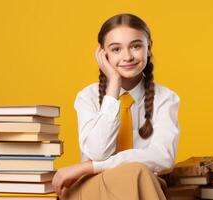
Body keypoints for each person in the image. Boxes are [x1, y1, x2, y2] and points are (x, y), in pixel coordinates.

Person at [52, 13, 180, 200]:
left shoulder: (166, 98)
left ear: (149, 47)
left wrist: (90, 166)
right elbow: (97, 152)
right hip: (93, 186)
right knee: (138, 172)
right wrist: (114, 85)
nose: (127, 56)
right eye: (116, 49)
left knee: (137, 173)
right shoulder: (87, 97)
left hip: (140, 184)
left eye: (136, 46)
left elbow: (163, 158)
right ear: (102, 54)